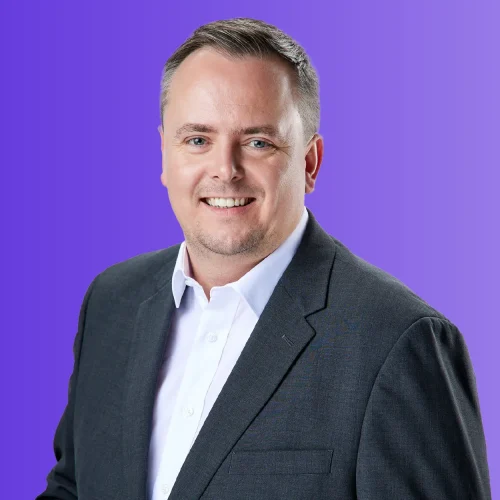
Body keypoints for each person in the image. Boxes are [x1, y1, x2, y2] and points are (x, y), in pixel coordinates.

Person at [37, 17, 492, 500]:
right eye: (197, 140)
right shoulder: (112, 302)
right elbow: (72, 488)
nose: (225, 170)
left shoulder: (398, 342)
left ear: (309, 163)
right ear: (164, 156)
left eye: (258, 142)